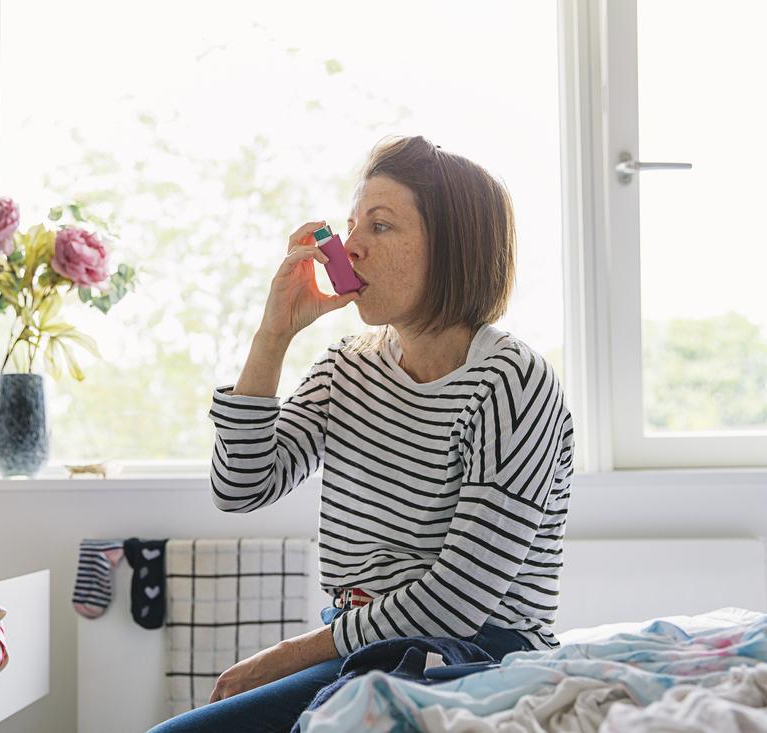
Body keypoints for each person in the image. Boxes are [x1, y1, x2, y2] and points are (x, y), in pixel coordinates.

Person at [150, 135, 574, 732]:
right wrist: (274, 334)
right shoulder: (349, 365)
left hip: (478, 653)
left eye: (380, 227)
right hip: (361, 649)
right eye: (352, 227)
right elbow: (240, 487)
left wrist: (287, 655)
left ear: (453, 248)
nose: (349, 249)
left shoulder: (511, 382)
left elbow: (457, 601)